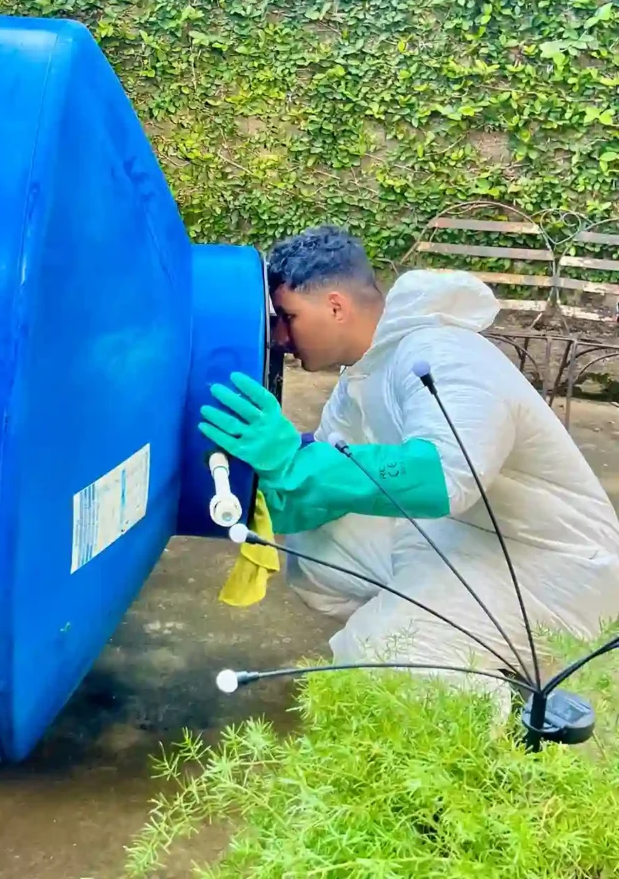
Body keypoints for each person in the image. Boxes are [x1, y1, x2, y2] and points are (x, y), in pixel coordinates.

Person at [200, 224, 619, 701]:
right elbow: (317, 489)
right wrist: (264, 473)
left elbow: (449, 472)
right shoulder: (361, 378)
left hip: (550, 566)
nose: (280, 338)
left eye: (288, 317)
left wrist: (301, 464)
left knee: (378, 660)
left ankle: (459, 676)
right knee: (317, 548)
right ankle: (460, 652)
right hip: (469, 536)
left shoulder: (441, 353)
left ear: (335, 306)